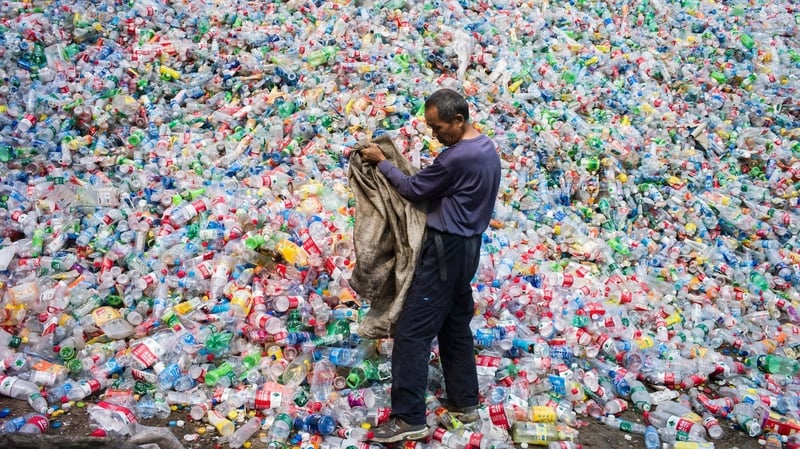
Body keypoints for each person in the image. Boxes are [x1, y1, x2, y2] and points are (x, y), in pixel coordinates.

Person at [358, 88, 502, 443]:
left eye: (439, 128)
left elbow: (412, 188)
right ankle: (464, 402)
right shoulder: (485, 148)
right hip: (469, 248)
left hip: (444, 251)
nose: (435, 135)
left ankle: (408, 418)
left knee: (412, 332)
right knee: (454, 326)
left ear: (459, 120)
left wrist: (382, 161)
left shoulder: (456, 158)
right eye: (431, 128)